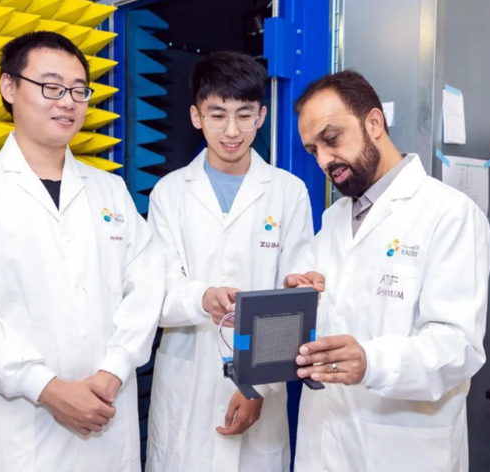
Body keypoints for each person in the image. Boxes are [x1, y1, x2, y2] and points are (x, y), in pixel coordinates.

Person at [0, 31, 164, 472]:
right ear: (9, 87)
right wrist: (46, 387)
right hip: (19, 432)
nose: (67, 102)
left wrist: (114, 369)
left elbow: (147, 286)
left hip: (107, 418)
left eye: (78, 90)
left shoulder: (109, 190)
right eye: (51, 87)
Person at [285, 70, 490, 472]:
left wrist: (371, 361)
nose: (324, 161)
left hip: (402, 451)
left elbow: (459, 347)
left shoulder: (449, 215)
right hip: (324, 445)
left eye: (331, 139)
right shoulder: (334, 219)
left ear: (374, 123)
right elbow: (317, 311)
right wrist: (296, 296)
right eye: (313, 151)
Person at [145, 51, 314, 472]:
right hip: (188, 382)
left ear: (261, 116)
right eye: (218, 115)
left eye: (244, 115)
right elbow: (156, 291)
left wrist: (259, 386)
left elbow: (295, 298)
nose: (232, 131)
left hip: (262, 385)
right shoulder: (169, 193)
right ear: (196, 116)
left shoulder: (288, 192)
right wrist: (203, 297)